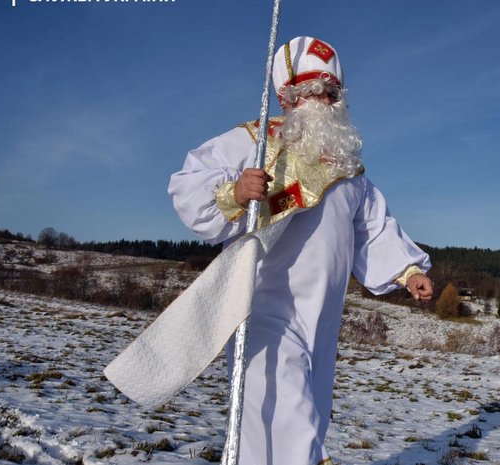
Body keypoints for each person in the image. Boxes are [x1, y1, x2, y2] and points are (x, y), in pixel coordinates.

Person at [167, 36, 433, 465]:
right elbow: (188, 180)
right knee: (279, 409)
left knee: (307, 414)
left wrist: (407, 270)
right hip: (265, 309)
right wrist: (234, 192)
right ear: (286, 98)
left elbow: (373, 228)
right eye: (312, 91)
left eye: (331, 92)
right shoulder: (254, 142)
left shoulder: (350, 173)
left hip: (324, 318)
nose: (323, 101)